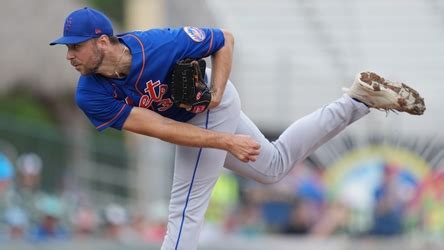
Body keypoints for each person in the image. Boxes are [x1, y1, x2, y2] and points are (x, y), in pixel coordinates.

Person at [50, 7, 425, 249]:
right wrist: (225, 140)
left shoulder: (159, 44)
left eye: (75, 47)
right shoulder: (90, 93)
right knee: (273, 165)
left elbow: (224, 40)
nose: (68, 55)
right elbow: (161, 129)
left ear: (102, 41)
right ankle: (357, 101)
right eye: (67, 48)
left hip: (214, 104)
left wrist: (215, 94)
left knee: (184, 210)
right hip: (188, 123)